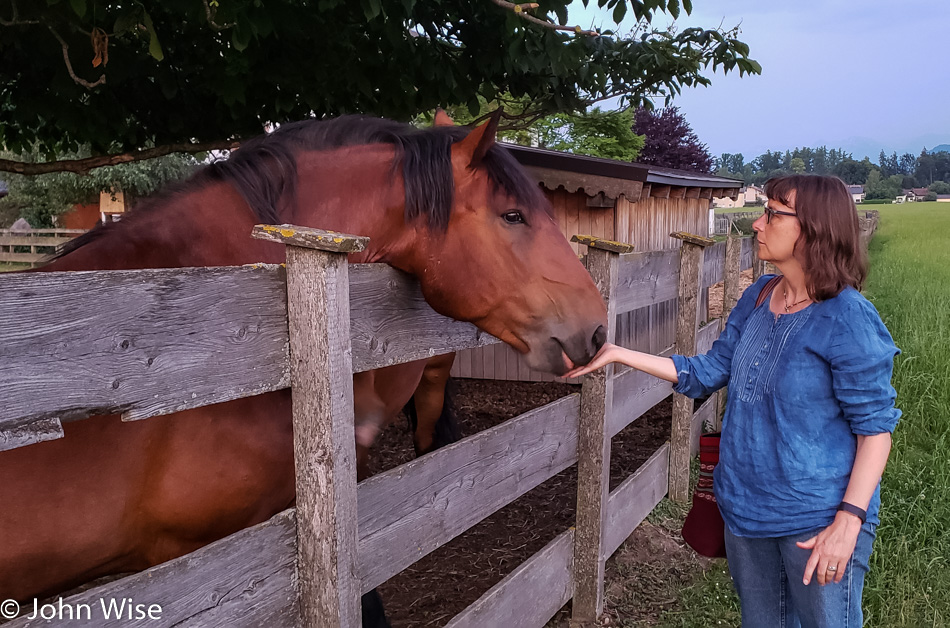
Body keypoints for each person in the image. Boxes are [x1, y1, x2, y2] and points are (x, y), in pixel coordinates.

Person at [566, 174, 900, 628]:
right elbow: (709, 371)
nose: (758, 225)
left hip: (817, 520)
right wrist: (619, 354)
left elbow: (875, 430)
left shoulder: (848, 318)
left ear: (815, 228)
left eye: (773, 214)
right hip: (745, 511)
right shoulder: (759, 296)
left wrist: (849, 521)